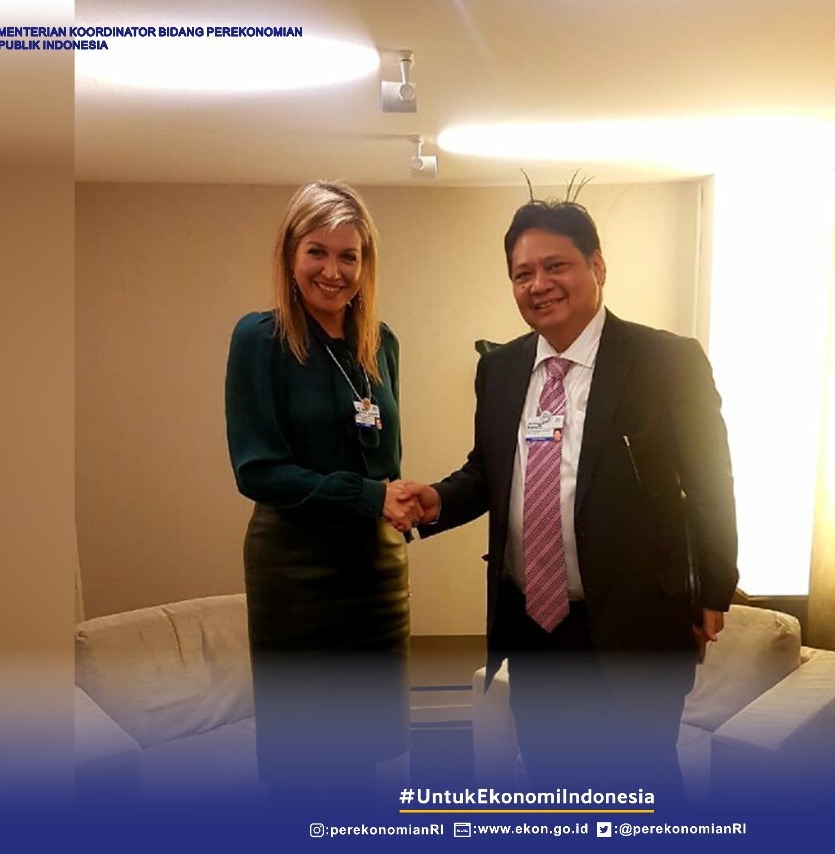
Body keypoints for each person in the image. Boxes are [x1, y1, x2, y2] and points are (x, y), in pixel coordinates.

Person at [394, 198, 739, 802]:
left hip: (634, 624)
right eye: (522, 273)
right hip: (537, 625)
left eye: (556, 266)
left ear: (597, 266)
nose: (539, 285)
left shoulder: (666, 361)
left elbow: (711, 481)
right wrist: (438, 501)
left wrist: (715, 588)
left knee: (643, 792)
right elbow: (490, 470)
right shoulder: (501, 368)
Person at [224, 181, 419, 805]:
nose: (333, 271)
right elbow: (257, 470)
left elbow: (384, 461)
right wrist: (368, 497)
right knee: (305, 762)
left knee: (366, 757)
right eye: (317, 252)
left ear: (365, 264)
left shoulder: (380, 343)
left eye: (348, 256)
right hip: (297, 573)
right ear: (290, 255)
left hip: (373, 570)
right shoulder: (260, 339)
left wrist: (399, 497)